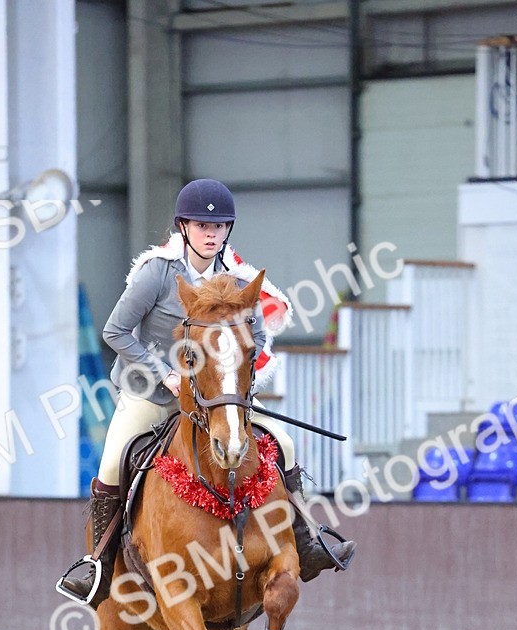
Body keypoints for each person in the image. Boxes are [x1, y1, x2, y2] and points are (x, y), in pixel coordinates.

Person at [58, 178, 355, 607]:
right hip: (153, 393)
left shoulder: (236, 282)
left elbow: (254, 338)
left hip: (213, 402)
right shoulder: (157, 274)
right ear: (183, 227)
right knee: (114, 458)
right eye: (201, 225)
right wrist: (164, 374)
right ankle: (99, 565)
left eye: (219, 226)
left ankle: (307, 542)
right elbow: (115, 330)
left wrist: (235, 384)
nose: (211, 233)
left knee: (284, 443)